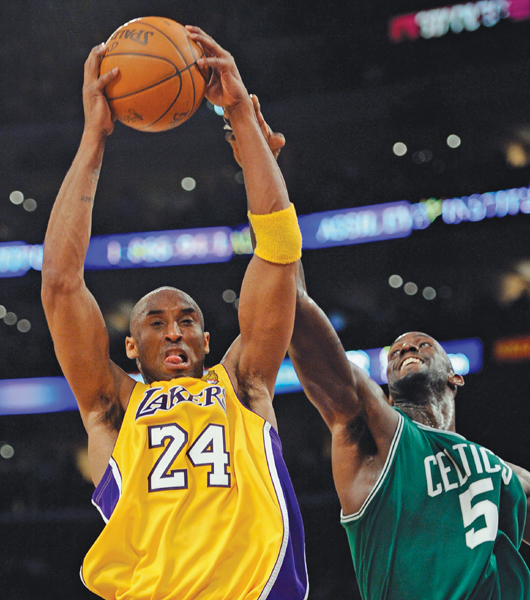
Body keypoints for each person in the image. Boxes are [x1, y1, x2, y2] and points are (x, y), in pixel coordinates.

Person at [41, 27, 308, 600]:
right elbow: (61, 286)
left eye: (188, 319)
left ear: (209, 339)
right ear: (130, 347)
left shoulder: (242, 384)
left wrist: (240, 115)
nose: (174, 330)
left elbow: (279, 252)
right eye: (155, 323)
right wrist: (93, 139)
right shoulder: (112, 410)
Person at [233, 102, 530, 599]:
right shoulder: (373, 437)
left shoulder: (509, 476)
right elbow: (296, 311)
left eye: (422, 344)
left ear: (456, 376)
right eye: (396, 350)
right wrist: (262, 166)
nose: (406, 346)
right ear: (388, 386)